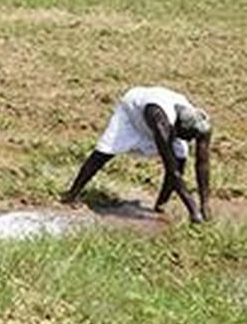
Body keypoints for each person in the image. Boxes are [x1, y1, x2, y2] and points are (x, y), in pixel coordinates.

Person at [63, 85, 212, 223]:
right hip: (132, 114)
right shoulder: (160, 120)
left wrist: (205, 204)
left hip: (162, 125)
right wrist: (193, 209)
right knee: (104, 152)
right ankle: (71, 194)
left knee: (181, 158)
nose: (191, 141)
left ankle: (160, 205)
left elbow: (202, 163)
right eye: (188, 136)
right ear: (178, 127)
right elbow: (170, 167)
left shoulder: (200, 123)